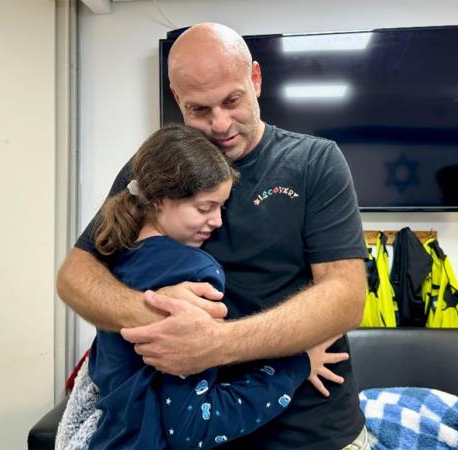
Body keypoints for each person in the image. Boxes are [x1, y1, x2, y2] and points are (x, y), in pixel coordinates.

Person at [58, 23, 368, 449]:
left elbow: (347, 297)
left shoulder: (315, 161)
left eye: (232, 101)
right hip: (189, 428)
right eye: (198, 110)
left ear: (255, 79)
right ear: (176, 99)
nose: (220, 123)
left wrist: (216, 344)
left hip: (309, 428)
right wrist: (154, 317)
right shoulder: (157, 166)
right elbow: (76, 274)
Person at [84, 123, 342, 449]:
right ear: (160, 200)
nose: (218, 221)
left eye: (222, 207)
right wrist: (297, 366)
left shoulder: (116, 255)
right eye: (206, 208)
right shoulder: (194, 275)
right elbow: (194, 428)